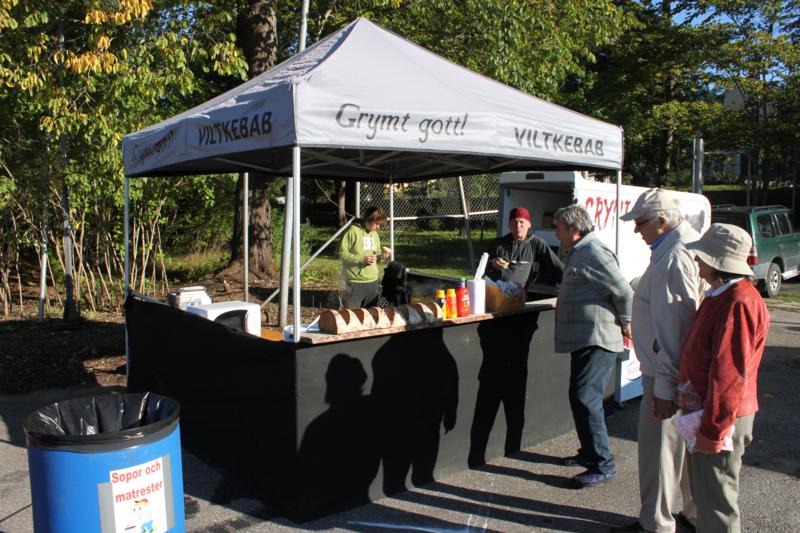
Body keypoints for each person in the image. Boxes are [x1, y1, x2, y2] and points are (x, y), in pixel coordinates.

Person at [612, 189, 701, 533]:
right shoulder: (676, 249)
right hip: (677, 375)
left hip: (667, 376)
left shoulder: (673, 257)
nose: (637, 230)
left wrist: (665, 386)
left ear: (662, 221)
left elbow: (675, 330)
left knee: (661, 451)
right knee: (683, 452)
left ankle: (656, 524)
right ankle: (692, 515)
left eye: (641, 222)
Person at [678, 223, 770, 532]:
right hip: (710, 414)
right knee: (708, 499)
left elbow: (729, 374)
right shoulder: (724, 296)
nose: (697, 260)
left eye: (702, 255)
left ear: (718, 262)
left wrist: (714, 430)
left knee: (717, 504)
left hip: (719, 417)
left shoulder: (738, 301)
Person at [553, 204, 632, 488]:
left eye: (559, 228)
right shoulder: (579, 251)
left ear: (574, 229)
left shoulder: (594, 252)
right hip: (585, 338)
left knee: (586, 397)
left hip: (597, 339)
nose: (556, 233)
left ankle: (603, 464)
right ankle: (589, 453)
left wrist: (627, 321)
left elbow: (624, 291)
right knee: (580, 396)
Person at [485, 206, 563, 291]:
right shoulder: (498, 244)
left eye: (521, 222)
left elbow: (556, 267)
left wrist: (569, 282)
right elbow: (482, 269)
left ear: (529, 224)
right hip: (498, 294)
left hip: (523, 295)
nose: (518, 225)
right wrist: (492, 264)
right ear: (509, 225)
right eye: (514, 222)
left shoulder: (537, 244)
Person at [339, 207, 390, 309]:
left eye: (380, 224)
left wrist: (382, 256)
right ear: (369, 219)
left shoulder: (375, 234)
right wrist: (362, 259)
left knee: (370, 316)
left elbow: (376, 256)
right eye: (377, 224)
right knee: (352, 316)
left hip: (372, 282)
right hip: (355, 282)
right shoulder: (352, 231)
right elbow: (342, 254)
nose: (378, 227)